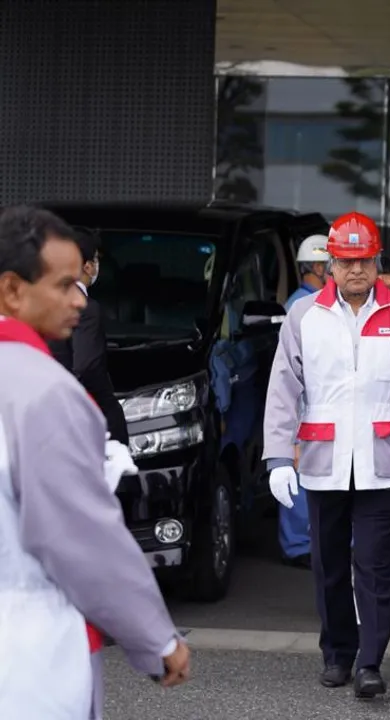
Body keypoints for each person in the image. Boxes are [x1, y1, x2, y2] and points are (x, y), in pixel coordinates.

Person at [0, 205, 190, 718]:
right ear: (13, 290)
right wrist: (154, 638)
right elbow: (80, 537)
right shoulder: (45, 392)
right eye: (63, 286)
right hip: (30, 650)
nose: (77, 302)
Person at [262, 211, 390, 699]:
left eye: (364, 261)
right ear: (331, 264)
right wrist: (278, 457)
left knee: (374, 560)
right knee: (329, 563)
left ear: (377, 262)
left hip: (384, 458)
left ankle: (370, 661)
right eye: (345, 262)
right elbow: (283, 389)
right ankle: (338, 653)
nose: (356, 271)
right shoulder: (304, 315)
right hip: (324, 459)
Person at [46, 227, 128, 444]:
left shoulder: (38, 306)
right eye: (95, 260)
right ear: (88, 267)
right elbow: (86, 366)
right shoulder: (86, 308)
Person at [277, 232, 330, 569]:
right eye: (332, 264)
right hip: (304, 402)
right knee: (299, 476)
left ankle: (310, 542)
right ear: (316, 266)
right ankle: (299, 545)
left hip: (318, 400)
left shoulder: (317, 302)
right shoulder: (300, 306)